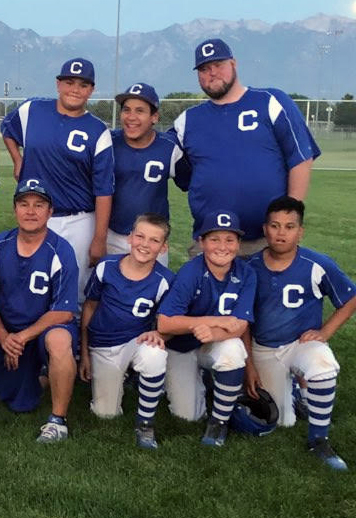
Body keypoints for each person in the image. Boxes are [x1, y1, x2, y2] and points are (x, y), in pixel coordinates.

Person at [172, 38, 320, 257]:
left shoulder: (270, 101)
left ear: (234, 64)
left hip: (266, 241)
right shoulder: (187, 121)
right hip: (211, 242)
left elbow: (300, 158)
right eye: (204, 68)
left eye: (218, 65)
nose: (212, 72)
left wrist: (288, 221)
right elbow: (160, 155)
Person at [245, 196, 355, 471]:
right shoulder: (249, 268)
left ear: (300, 231)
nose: (281, 233)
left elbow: (350, 298)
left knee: (323, 365)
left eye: (289, 226)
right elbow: (242, 324)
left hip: (299, 343)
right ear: (264, 229)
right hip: (265, 349)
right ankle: (295, 392)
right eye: (275, 225)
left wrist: (325, 331)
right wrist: (248, 366)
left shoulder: (317, 263)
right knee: (281, 419)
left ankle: (319, 440)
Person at [1, 58, 114, 301]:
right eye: (69, 82)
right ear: (58, 84)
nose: (75, 89)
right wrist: (17, 159)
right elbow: (7, 129)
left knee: (77, 291)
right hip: (37, 216)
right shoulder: (32, 109)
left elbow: (104, 190)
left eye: (83, 85)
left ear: (91, 90)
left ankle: (71, 339)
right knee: (33, 286)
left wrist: (99, 238)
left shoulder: (98, 130)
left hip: (79, 220)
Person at [0, 179, 79, 443]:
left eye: (39, 205)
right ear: (15, 210)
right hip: (12, 335)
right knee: (17, 401)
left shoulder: (61, 251)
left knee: (58, 340)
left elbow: (64, 312)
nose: (31, 211)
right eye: (24, 204)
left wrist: (21, 338)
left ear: (50, 212)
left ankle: (58, 421)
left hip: (47, 330)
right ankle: (48, 374)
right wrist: (4, 337)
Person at [157, 210, 256, 447]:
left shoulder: (246, 273)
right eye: (214, 239)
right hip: (181, 347)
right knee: (187, 415)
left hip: (213, 343)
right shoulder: (191, 271)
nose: (222, 246)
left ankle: (219, 422)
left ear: (238, 244)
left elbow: (240, 324)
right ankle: (211, 383)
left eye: (230, 239)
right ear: (201, 242)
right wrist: (212, 321)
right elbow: (165, 322)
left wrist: (214, 333)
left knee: (232, 349)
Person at [79, 213, 175, 450]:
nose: (145, 244)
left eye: (154, 240)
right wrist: (85, 351)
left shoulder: (165, 280)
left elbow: (171, 323)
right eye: (140, 236)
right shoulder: (106, 267)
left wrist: (161, 336)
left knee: (154, 354)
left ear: (163, 248)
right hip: (103, 343)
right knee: (106, 414)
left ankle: (145, 423)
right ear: (130, 238)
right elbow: (90, 307)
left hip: (136, 340)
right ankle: (127, 376)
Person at [108, 83, 190, 266]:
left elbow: (190, 184)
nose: (131, 117)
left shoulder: (169, 148)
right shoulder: (108, 142)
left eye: (140, 111)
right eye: (126, 110)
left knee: (153, 293)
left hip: (151, 241)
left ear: (154, 117)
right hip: (112, 235)